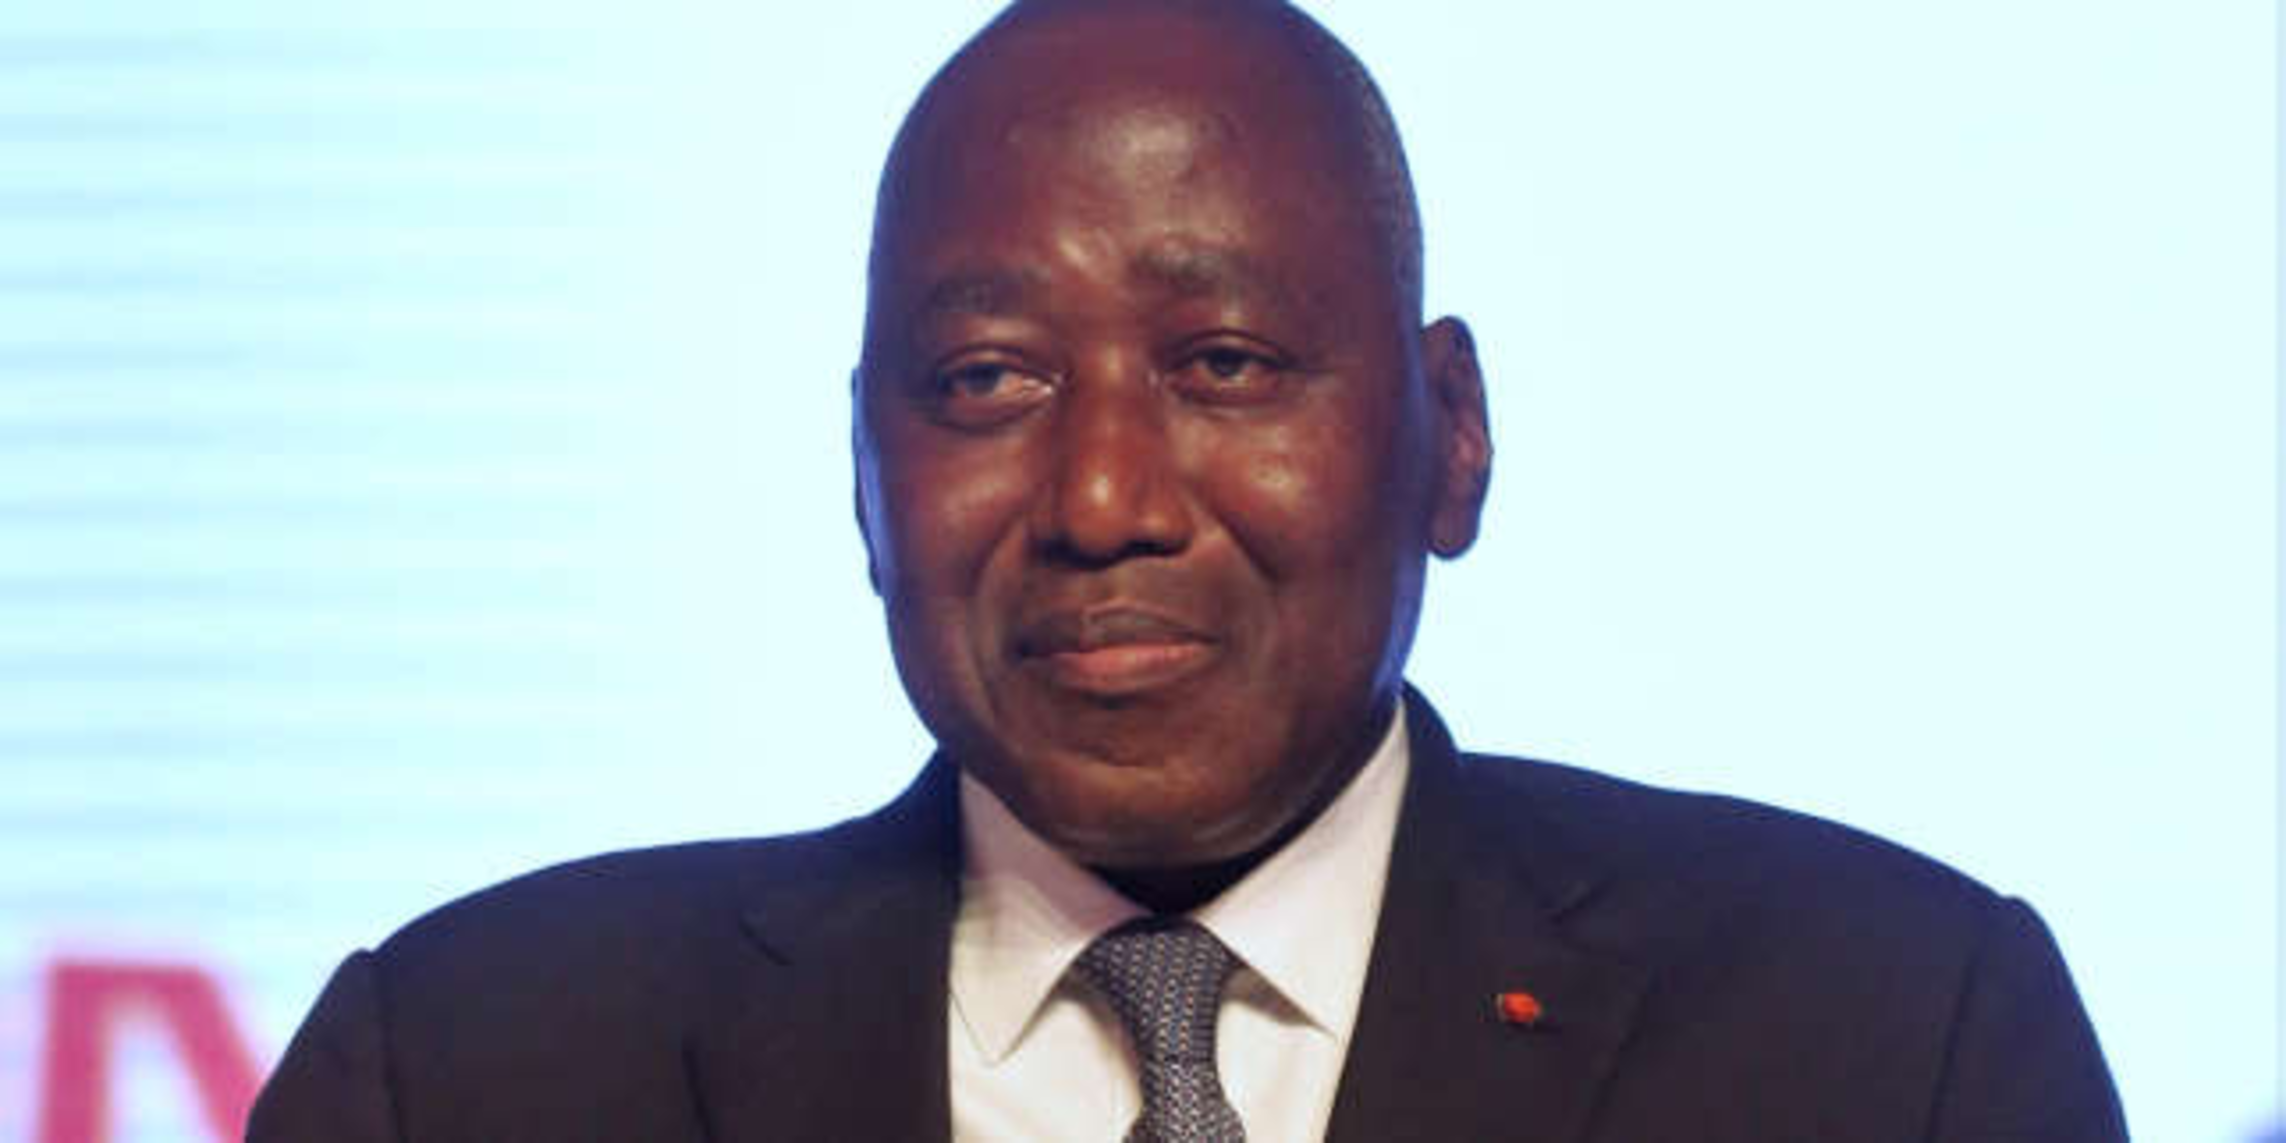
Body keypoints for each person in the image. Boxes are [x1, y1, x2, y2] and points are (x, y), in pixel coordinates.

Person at [248, 1, 2127, 1139]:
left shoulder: (1887, 1038)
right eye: (986, 381)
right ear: (862, 469)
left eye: (1223, 363)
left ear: (1449, 432)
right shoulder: (475, 1069)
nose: (1101, 496)